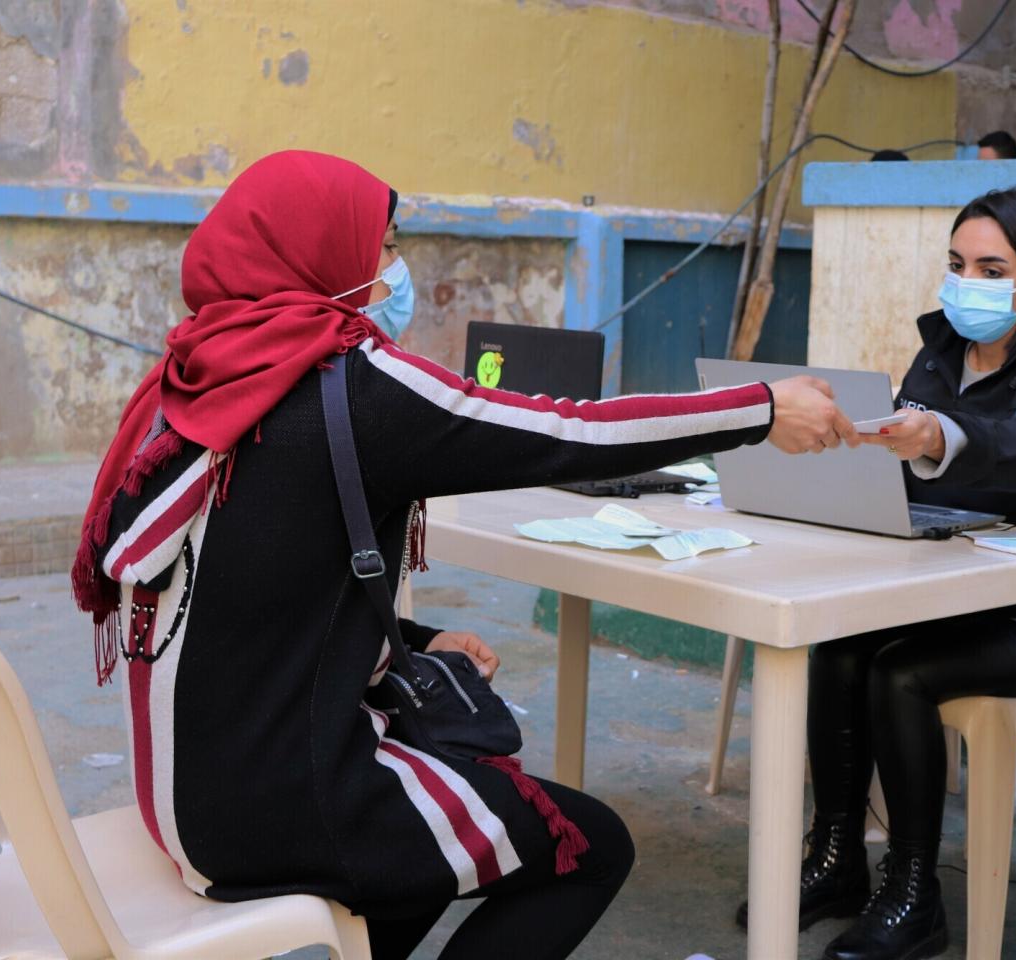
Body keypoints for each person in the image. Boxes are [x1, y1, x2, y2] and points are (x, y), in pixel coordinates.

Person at [71, 150, 859, 960]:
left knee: (426, 823)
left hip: (185, 795)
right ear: (320, 254)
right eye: (383, 246)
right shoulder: (352, 385)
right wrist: (761, 408)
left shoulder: (196, 377)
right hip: (283, 805)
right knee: (589, 848)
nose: (392, 271)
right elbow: (569, 430)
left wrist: (404, 643)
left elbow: (251, 593)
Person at [735, 186, 1016, 960]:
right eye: (955, 264)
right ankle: (839, 858)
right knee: (842, 648)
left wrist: (938, 435)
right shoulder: (941, 349)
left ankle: (915, 896)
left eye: (989, 267)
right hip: (949, 586)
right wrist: (854, 451)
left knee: (900, 674)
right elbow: (910, 469)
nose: (965, 283)